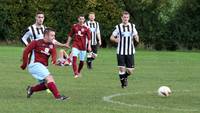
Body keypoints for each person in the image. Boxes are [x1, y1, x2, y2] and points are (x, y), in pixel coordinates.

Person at [20, 27, 69, 100]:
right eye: (52, 35)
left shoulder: (52, 46)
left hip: (42, 66)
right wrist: (24, 65)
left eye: (54, 35)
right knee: (50, 78)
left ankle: (31, 89)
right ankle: (58, 97)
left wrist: (60, 63)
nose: (54, 37)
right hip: (34, 64)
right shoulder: (36, 42)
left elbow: (53, 60)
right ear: (46, 35)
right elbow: (26, 51)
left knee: (47, 84)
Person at [110, 11, 139, 88]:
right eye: (124, 17)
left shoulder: (132, 26)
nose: (125, 19)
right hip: (120, 51)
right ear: (121, 18)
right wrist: (115, 40)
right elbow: (112, 37)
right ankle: (123, 84)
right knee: (121, 68)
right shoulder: (118, 27)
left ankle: (124, 77)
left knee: (130, 71)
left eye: (127, 17)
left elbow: (136, 35)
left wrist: (137, 39)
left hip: (130, 51)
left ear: (128, 18)